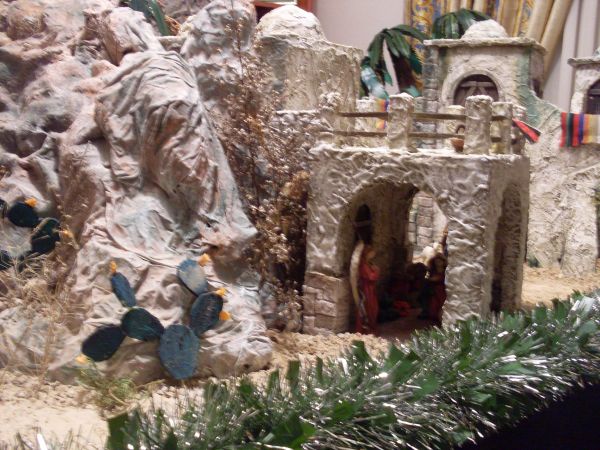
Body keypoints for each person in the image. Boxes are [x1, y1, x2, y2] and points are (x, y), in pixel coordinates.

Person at [356, 246, 380, 334]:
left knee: (373, 308)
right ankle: (364, 330)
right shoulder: (363, 265)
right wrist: (376, 271)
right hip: (366, 289)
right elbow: (370, 277)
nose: (373, 255)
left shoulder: (368, 263)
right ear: (367, 254)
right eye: (371, 253)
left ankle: (370, 327)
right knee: (367, 308)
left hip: (370, 289)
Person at [426, 253, 447, 325]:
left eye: (440, 261)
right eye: (436, 261)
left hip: (443, 289)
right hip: (434, 289)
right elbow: (429, 279)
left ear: (443, 262)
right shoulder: (432, 270)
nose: (438, 263)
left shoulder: (446, 270)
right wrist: (431, 280)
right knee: (434, 304)